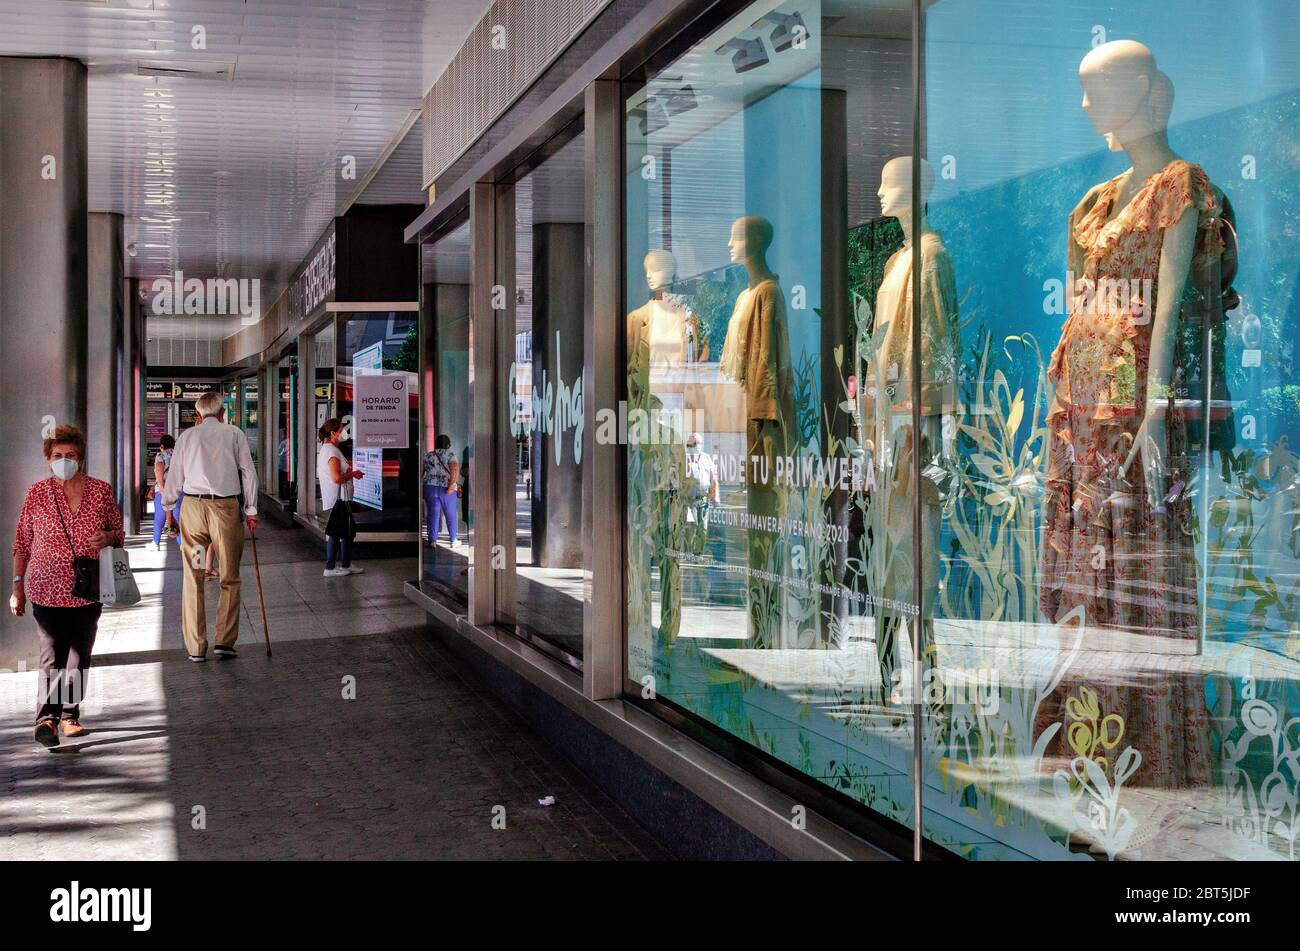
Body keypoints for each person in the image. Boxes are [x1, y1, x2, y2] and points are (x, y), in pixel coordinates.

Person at [10, 425, 124, 747]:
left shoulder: (101, 490)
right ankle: (47, 717)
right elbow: (22, 543)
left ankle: (70, 714)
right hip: (46, 587)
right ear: (48, 459)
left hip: (88, 587)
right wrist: (17, 586)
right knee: (52, 654)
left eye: (70, 455)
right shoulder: (37, 493)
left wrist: (108, 537)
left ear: (81, 458)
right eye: (58, 455)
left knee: (80, 654)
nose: (64, 460)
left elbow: (118, 532)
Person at [162, 392, 258, 661]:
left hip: (193, 511)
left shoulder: (187, 437)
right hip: (225, 510)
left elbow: (175, 475)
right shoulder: (234, 433)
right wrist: (251, 509)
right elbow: (249, 471)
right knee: (229, 574)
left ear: (198, 414)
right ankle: (224, 642)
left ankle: (196, 647)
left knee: (194, 575)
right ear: (222, 413)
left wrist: (169, 505)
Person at [317, 418, 364, 577]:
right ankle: (329, 567)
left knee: (347, 533)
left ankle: (346, 564)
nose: (344, 433)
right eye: (342, 430)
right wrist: (353, 474)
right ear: (333, 433)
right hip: (338, 500)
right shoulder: (331, 451)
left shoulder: (331, 449)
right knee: (336, 533)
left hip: (342, 500)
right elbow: (336, 477)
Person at [422, 435, 460, 546]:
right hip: (446, 487)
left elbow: (422, 471)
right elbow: (454, 469)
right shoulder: (451, 455)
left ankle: (432, 540)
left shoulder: (428, 455)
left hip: (429, 486)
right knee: (450, 513)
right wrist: (452, 485)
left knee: (433, 514)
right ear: (448, 445)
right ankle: (453, 539)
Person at [150, 434, 182, 551]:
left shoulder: (160, 455)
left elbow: (159, 471)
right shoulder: (179, 455)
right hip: (180, 489)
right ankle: (182, 544)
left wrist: (162, 489)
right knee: (178, 517)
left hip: (165, 489)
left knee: (160, 516)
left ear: (162, 445)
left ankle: (155, 542)